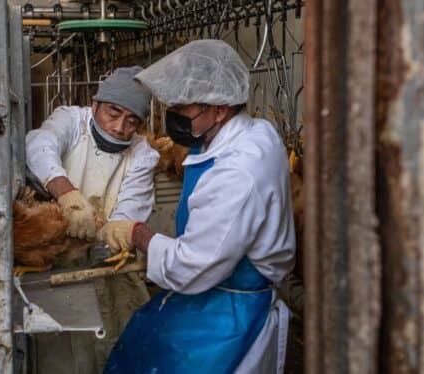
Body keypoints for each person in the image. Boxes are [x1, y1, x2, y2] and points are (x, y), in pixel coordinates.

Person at [98, 40, 296, 373]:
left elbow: (191, 266)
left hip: (229, 309)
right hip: (216, 289)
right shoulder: (254, 131)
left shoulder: (238, 172)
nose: (175, 117)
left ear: (219, 108)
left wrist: (138, 234)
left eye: (184, 110)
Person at [25, 66, 159, 373]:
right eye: (113, 113)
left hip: (107, 265)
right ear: (96, 105)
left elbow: (129, 212)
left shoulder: (143, 154)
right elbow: (39, 144)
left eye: (132, 121)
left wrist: (107, 232)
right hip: (50, 261)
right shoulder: (71, 120)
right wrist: (67, 195)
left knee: (114, 341)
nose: (120, 128)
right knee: (61, 354)